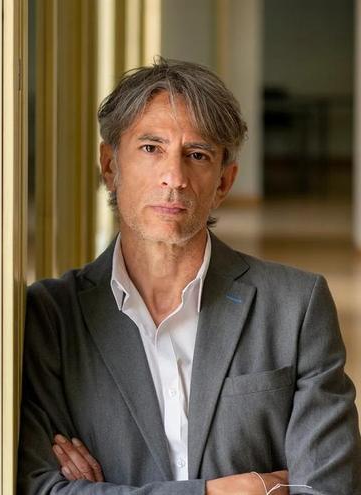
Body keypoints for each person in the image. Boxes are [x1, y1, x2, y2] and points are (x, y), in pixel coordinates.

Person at [18, 58, 361, 494]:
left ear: (224, 182)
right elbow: (42, 489)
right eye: (151, 148)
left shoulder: (296, 306)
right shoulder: (49, 316)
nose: (174, 178)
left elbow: (328, 488)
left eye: (197, 155)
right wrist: (222, 491)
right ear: (109, 166)